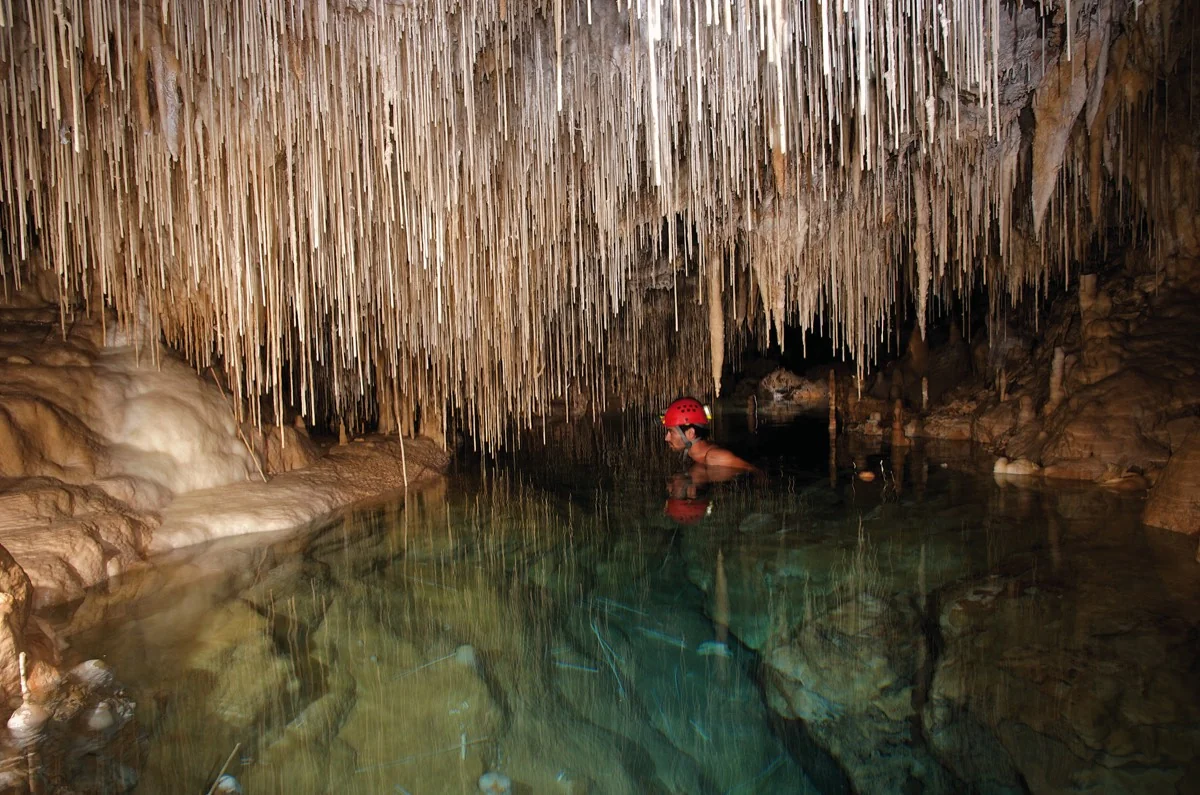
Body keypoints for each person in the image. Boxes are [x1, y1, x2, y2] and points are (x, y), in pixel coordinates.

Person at [661, 397, 756, 487]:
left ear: (690, 433)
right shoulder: (694, 455)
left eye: (671, 432)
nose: (667, 438)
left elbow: (755, 471)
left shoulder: (715, 457)